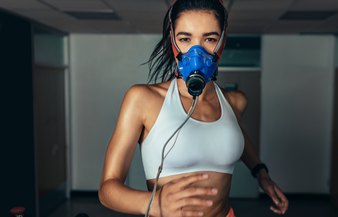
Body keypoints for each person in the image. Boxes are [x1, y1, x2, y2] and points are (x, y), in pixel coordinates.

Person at [98, 0, 289, 216]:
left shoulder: (235, 102)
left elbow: (233, 133)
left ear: (222, 43)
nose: (196, 52)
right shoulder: (143, 99)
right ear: (173, 40)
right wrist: (153, 203)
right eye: (185, 38)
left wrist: (261, 173)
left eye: (209, 38)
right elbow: (107, 191)